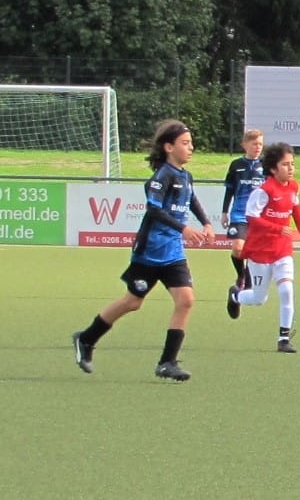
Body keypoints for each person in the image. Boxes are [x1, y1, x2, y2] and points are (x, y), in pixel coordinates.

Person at [71, 119, 215, 381]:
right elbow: (153, 209)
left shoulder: (185, 176)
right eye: (185, 143)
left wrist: (206, 222)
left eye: (191, 143)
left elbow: (192, 199)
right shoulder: (162, 176)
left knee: (186, 300)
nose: (191, 147)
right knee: (132, 302)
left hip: (173, 253)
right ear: (169, 147)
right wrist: (183, 228)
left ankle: (167, 362)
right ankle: (86, 338)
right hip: (149, 252)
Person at [227, 141, 300, 352]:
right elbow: (252, 218)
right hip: (261, 251)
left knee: (286, 290)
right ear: (273, 169)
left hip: (282, 249)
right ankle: (236, 295)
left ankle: (283, 339)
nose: (290, 168)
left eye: (292, 164)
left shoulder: (294, 187)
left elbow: (296, 209)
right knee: (259, 299)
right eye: (285, 164)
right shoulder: (263, 191)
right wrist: (277, 228)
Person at [221, 127, 266, 312]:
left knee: (254, 251)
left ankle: (246, 282)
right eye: (254, 144)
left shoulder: (265, 165)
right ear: (245, 145)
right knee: (238, 248)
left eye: (260, 144)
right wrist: (224, 211)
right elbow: (230, 189)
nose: (258, 147)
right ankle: (241, 276)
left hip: (258, 215)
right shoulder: (236, 165)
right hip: (239, 213)